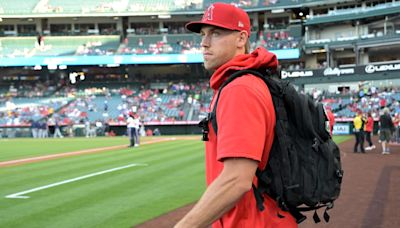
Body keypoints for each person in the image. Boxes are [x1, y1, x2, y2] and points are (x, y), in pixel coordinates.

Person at [175, 3, 296, 228]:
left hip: (251, 222)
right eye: (203, 34)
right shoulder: (249, 81)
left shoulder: (239, 88)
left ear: (241, 39)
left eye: (216, 33)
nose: (204, 42)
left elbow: (236, 181)